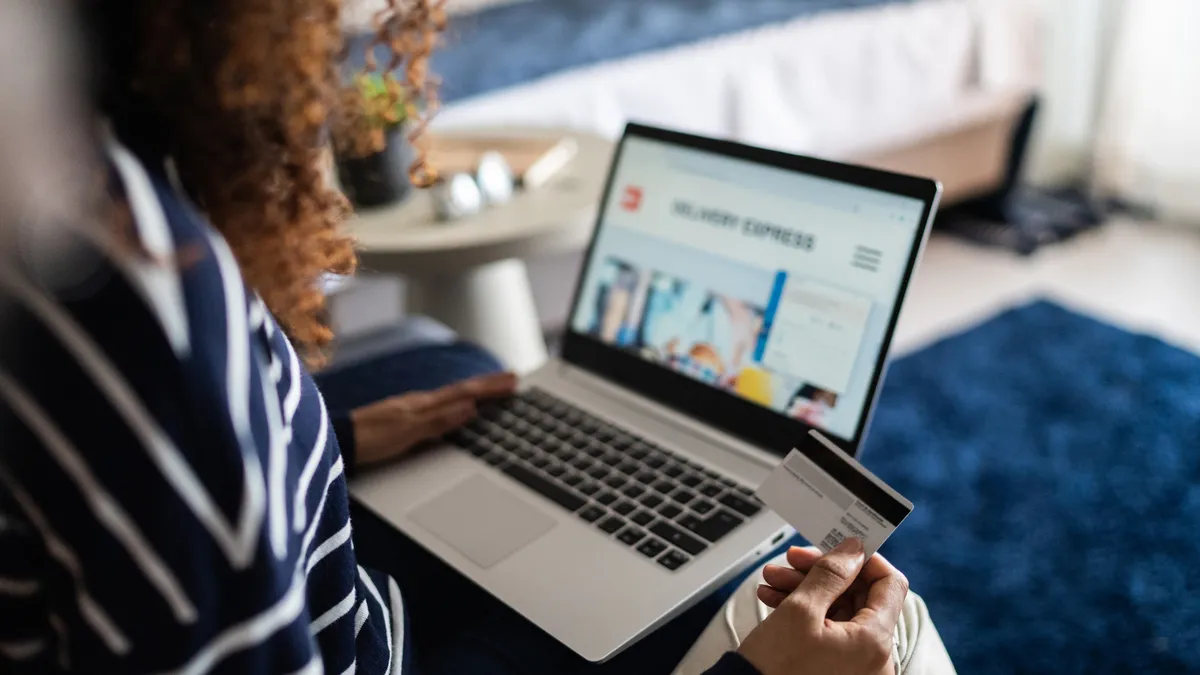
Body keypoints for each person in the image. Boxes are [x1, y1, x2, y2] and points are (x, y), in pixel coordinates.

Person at [0, 0, 956, 673]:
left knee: (467, 371)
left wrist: (324, 443)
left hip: (323, 578)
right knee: (870, 623)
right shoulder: (131, 288)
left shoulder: (84, 195)